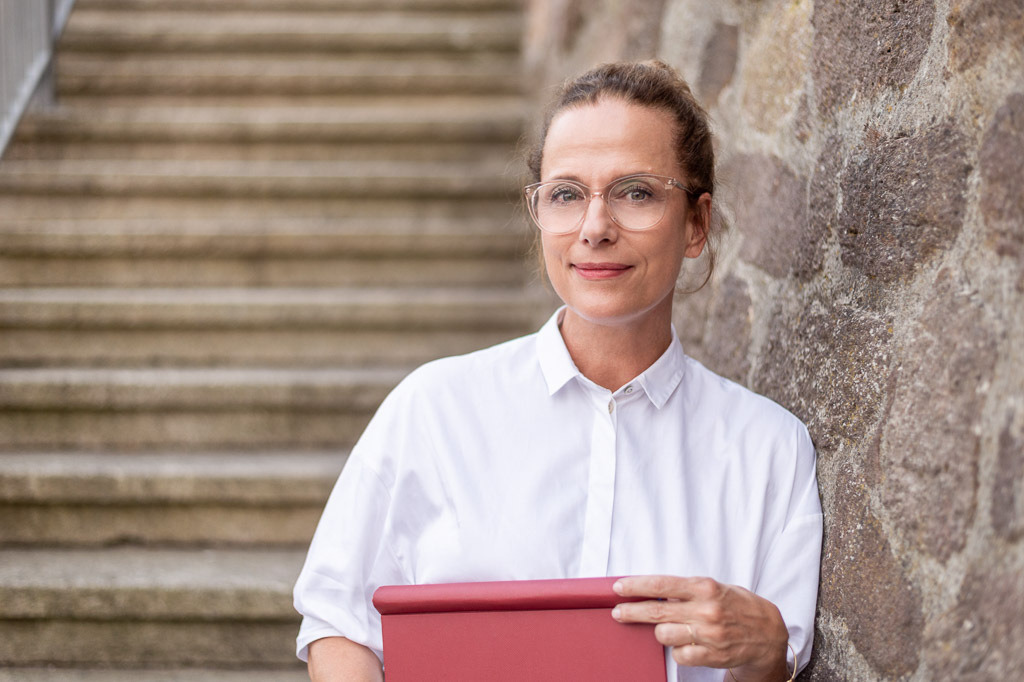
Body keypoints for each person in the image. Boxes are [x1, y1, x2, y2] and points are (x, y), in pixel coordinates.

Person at [293, 60, 822, 682]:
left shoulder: (771, 451)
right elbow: (338, 625)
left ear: (697, 224)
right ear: (539, 211)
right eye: (567, 194)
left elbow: (773, 662)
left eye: (637, 192)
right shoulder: (433, 409)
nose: (595, 228)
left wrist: (769, 659)